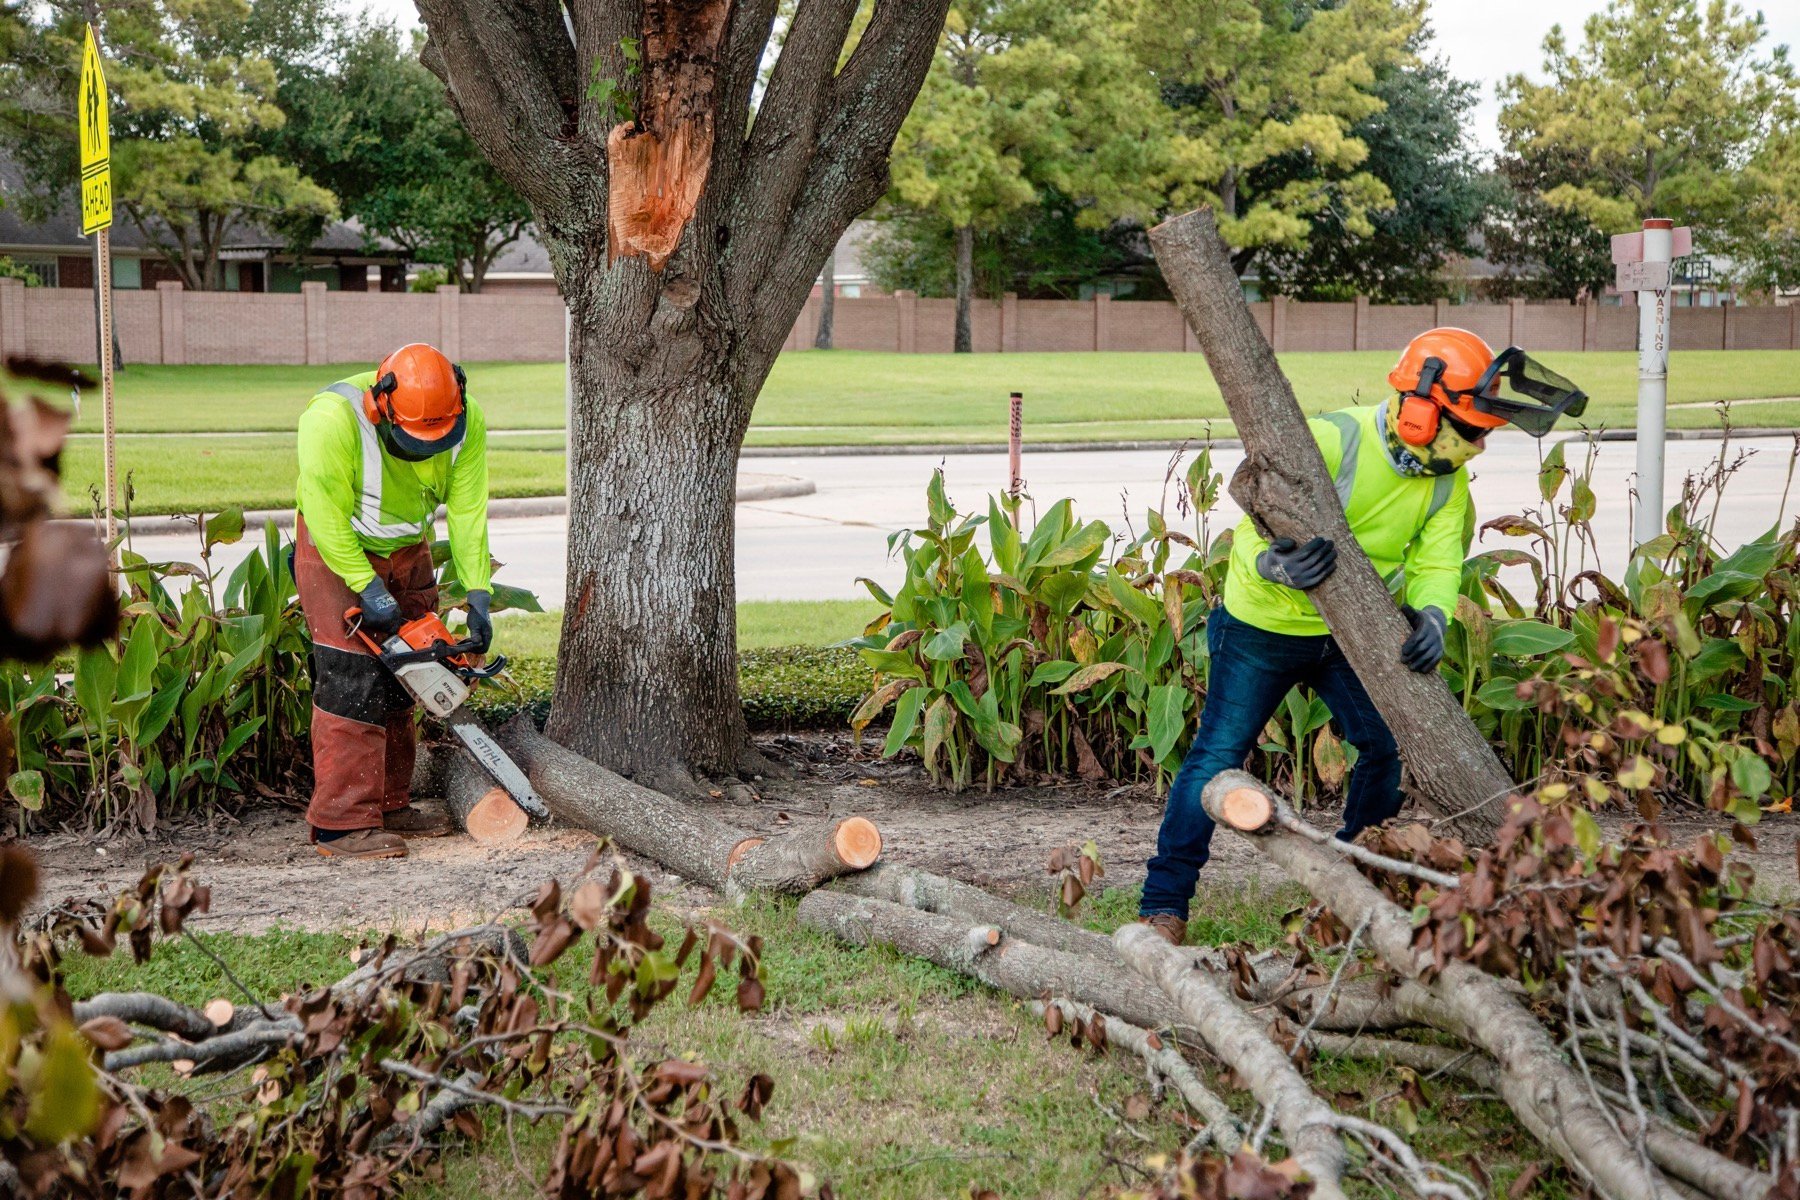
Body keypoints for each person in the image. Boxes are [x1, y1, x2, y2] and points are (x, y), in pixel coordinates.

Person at [1137, 327, 1587, 944]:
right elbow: (1251, 524)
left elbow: (1436, 560)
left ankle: (1354, 881)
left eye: (1482, 433)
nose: (1477, 446)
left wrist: (1433, 615)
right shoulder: (1330, 439)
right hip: (1262, 626)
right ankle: (1163, 904)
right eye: (1470, 430)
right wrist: (1274, 565)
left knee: (1387, 748)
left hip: (1352, 635)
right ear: (1424, 409)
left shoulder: (1444, 480)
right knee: (1216, 756)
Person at [293, 343, 493, 860]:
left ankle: (388, 802)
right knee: (351, 677)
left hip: (408, 548)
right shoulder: (331, 420)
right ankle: (341, 823)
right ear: (381, 409)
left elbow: (468, 511)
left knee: (413, 669)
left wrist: (477, 595)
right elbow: (324, 513)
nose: (426, 450)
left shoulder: (465, 421)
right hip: (338, 550)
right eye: (414, 440)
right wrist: (367, 585)